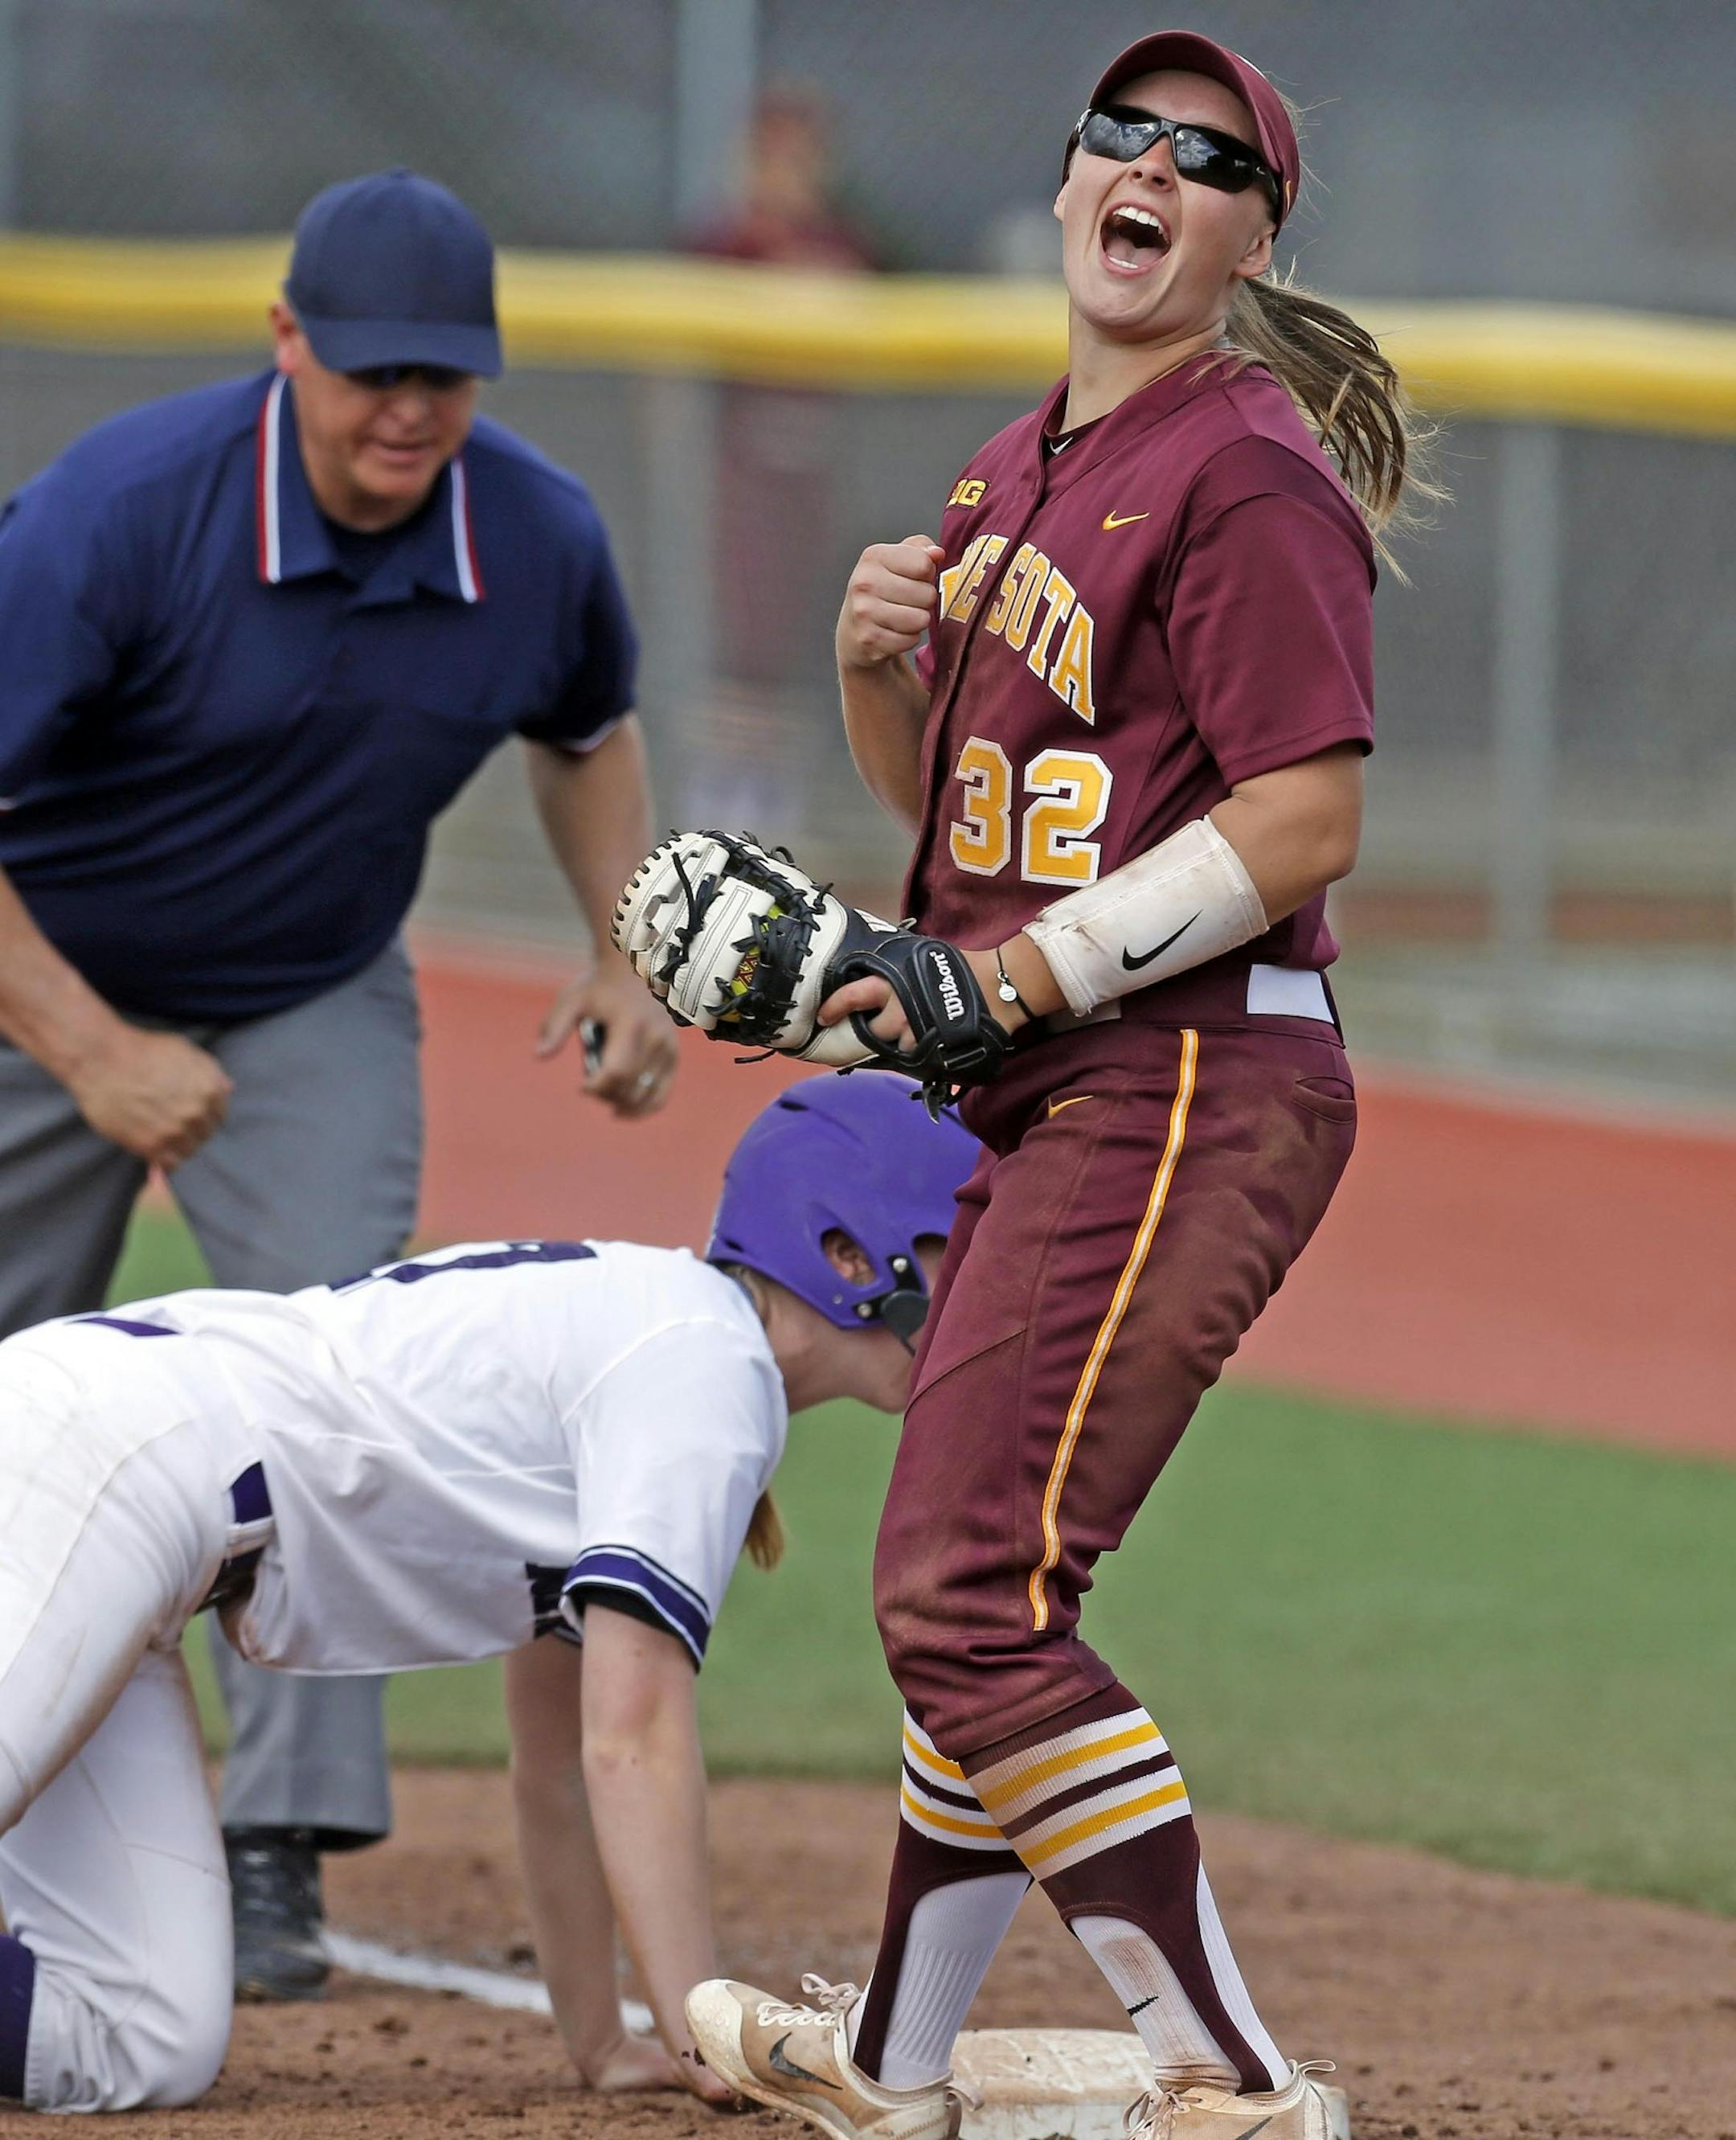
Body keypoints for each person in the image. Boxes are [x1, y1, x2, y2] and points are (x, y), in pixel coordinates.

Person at [682, 31, 1436, 2140]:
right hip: (1065, 1075)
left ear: (1251, 234)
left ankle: (1229, 2068)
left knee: (960, 1578)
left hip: (1193, 1074)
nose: (1155, 168)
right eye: (1127, 132)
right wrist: (869, 678)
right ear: (1068, 180)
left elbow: (1301, 823)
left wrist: (1018, 975)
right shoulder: (1004, 478)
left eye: (1209, 159)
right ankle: (902, 2062)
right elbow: (975, 836)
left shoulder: (1244, 466)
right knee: (982, 1577)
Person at [0, 169, 677, 1999]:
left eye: (445, 378)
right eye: (370, 367)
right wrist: (86, 1047)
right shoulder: (118, 515)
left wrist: (625, 947)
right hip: (35, 977)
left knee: (343, 1387)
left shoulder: (532, 536)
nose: (406, 410)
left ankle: (276, 1841)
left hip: (307, 988)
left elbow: (589, 731)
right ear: (286, 340)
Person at [0, 1072, 974, 2113]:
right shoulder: (705, 1367)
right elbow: (632, 1740)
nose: (983, 1289)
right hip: (104, 1452)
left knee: (138, 2034)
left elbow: (558, 1762)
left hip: (138, 1517)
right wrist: (709, 2030)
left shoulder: (676, 1359)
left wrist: (605, 2039)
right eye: (956, 1251)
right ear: (848, 1254)